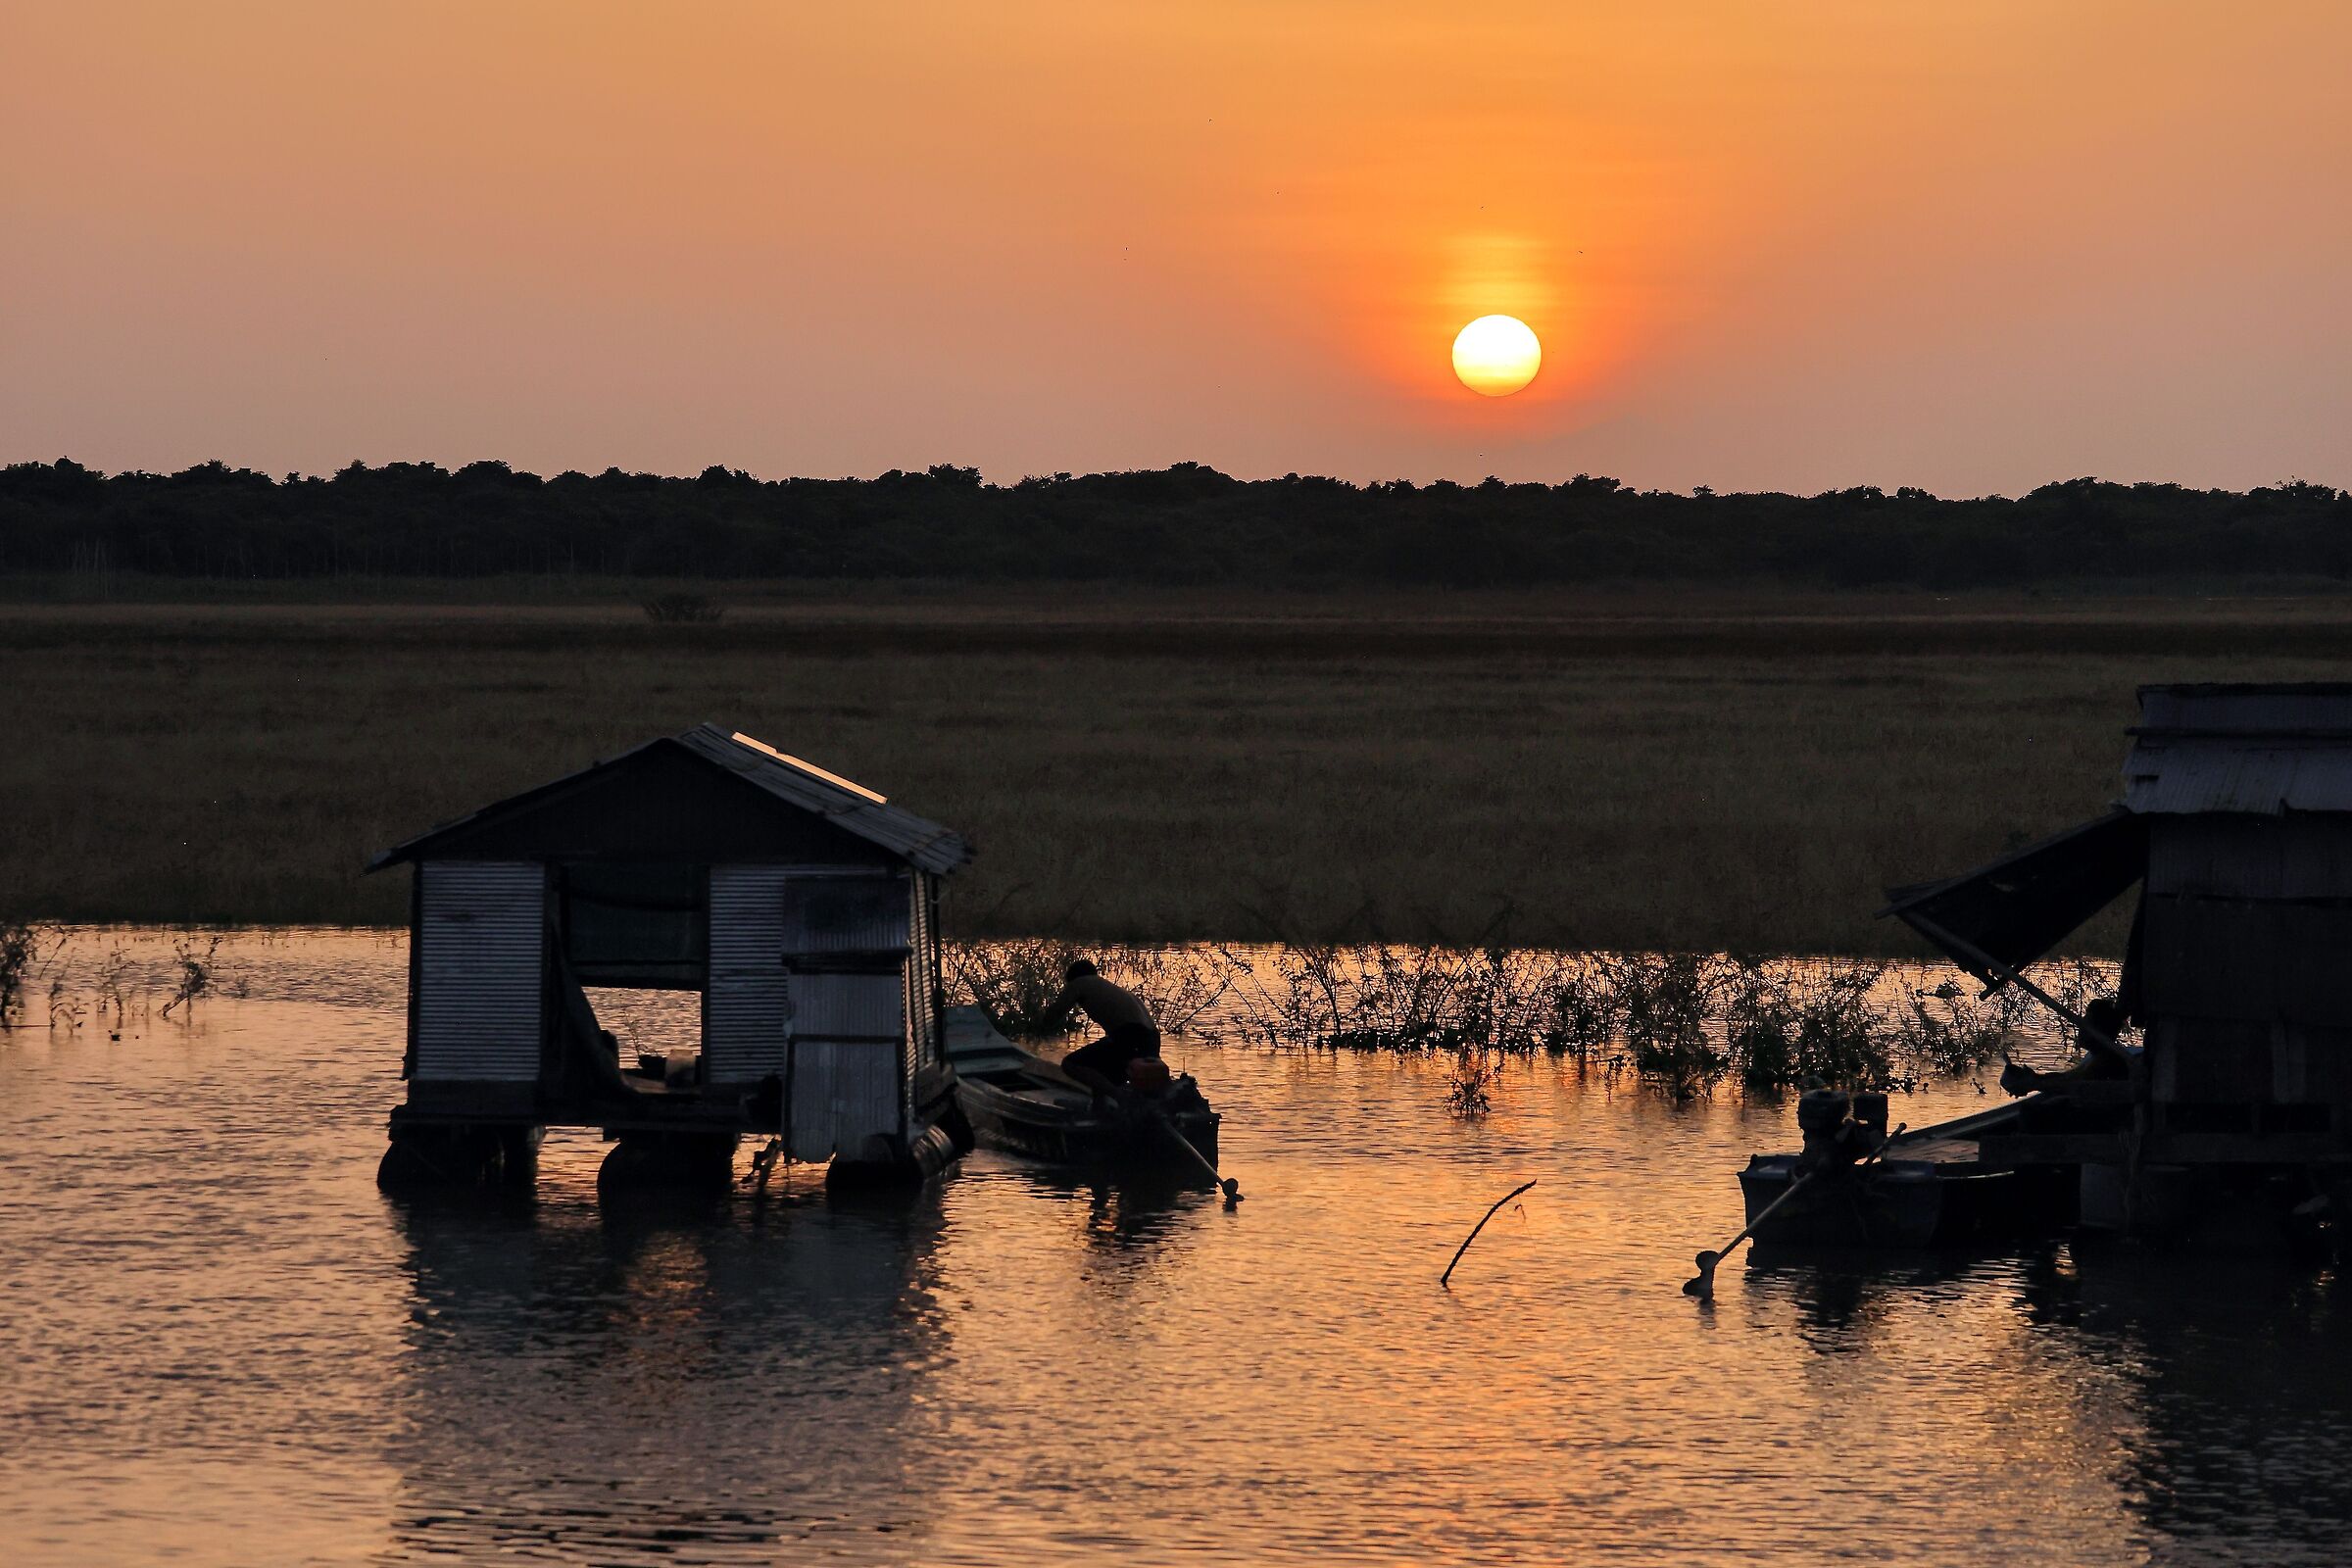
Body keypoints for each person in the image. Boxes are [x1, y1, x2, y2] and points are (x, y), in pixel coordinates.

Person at [1040, 957, 1162, 1097]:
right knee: (1106, 1076)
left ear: (1072, 978)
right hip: (1152, 1039)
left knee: (1071, 1065)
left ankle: (1120, 1098)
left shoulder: (1079, 982)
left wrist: (1038, 1026)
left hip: (1130, 1036)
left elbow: (1051, 1017)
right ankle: (1107, 1104)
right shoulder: (1111, 988)